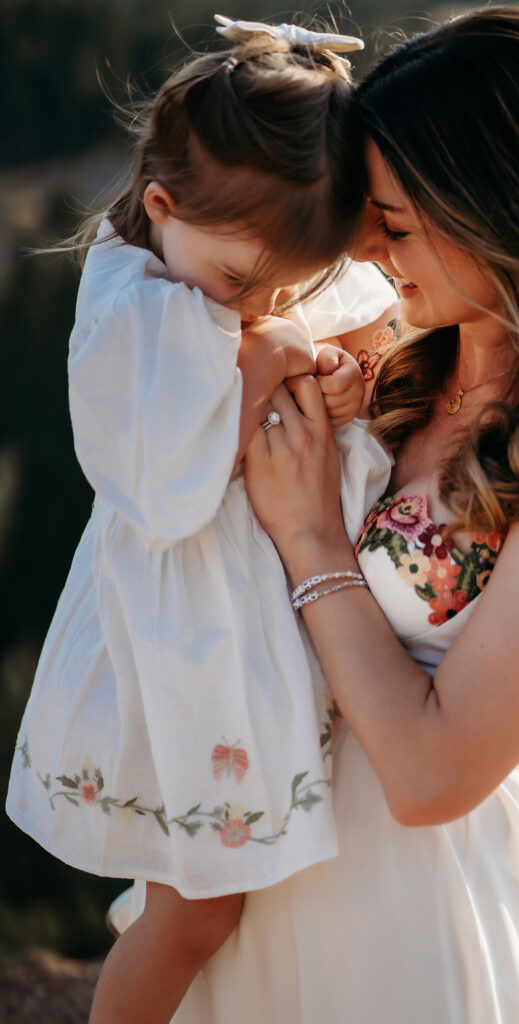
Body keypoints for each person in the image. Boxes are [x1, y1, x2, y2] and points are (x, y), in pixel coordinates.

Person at [156, 8, 519, 1023]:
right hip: (252, 865)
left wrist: (309, 534)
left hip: (403, 912)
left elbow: (434, 775)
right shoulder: (385, 375)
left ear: (503, 210)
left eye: (393, 221)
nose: (363, 241)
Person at [5, 17, 396, 1024]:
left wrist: (340, 370)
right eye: (239, 284)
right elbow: (166, 483)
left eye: (286, 286)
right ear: (160, 205)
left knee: (230, 898)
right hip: (187, 633)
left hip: (259, 608)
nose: (263, 301)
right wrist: (266, 360)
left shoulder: (240, 249)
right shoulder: (131, 306)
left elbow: (353, 318)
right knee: (195, 909)